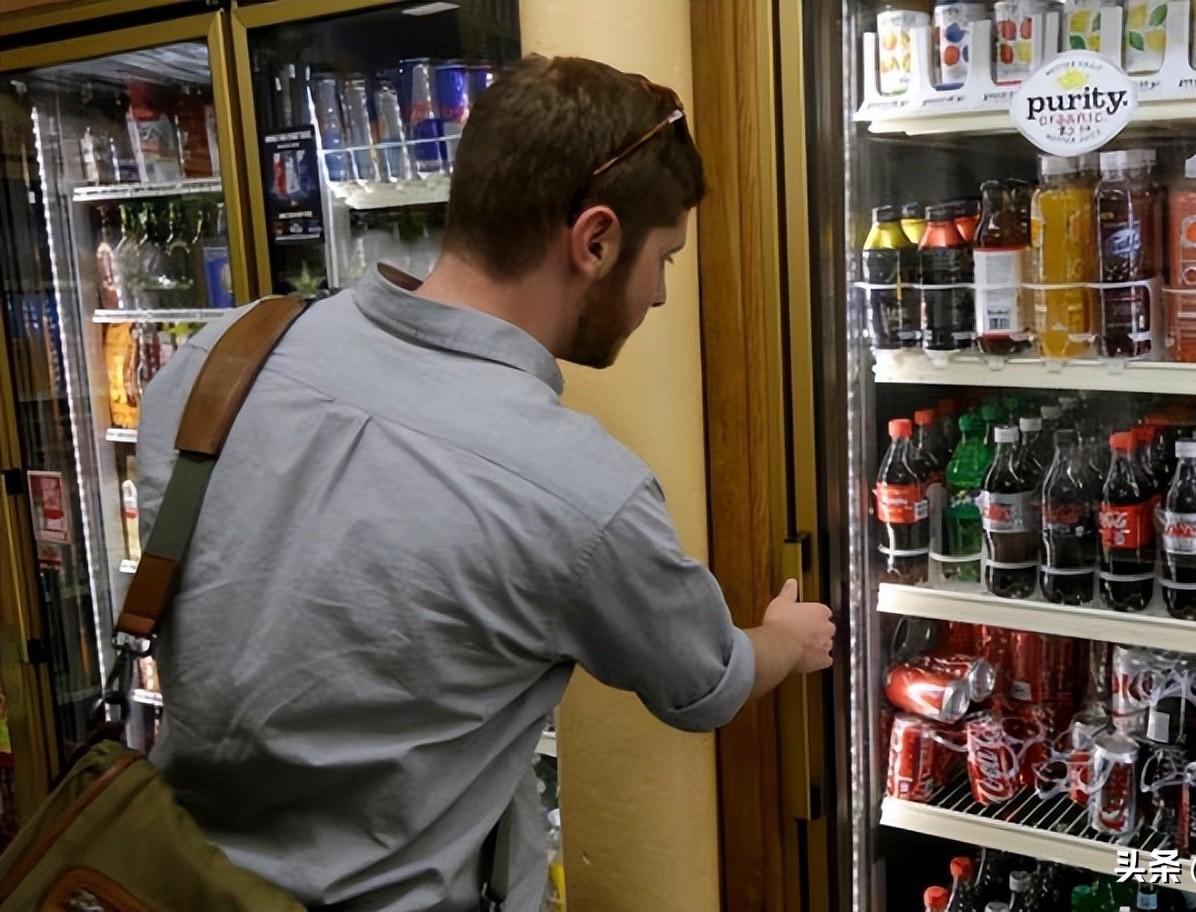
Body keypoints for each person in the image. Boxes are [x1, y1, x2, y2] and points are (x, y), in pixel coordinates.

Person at [136, 54, 834, 911]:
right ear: (596, 240)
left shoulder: (223, 356)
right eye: (665, 259)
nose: (656, 295)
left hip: (170, 881)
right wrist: (788, 640)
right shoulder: (575, 490)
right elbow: (705, 682)